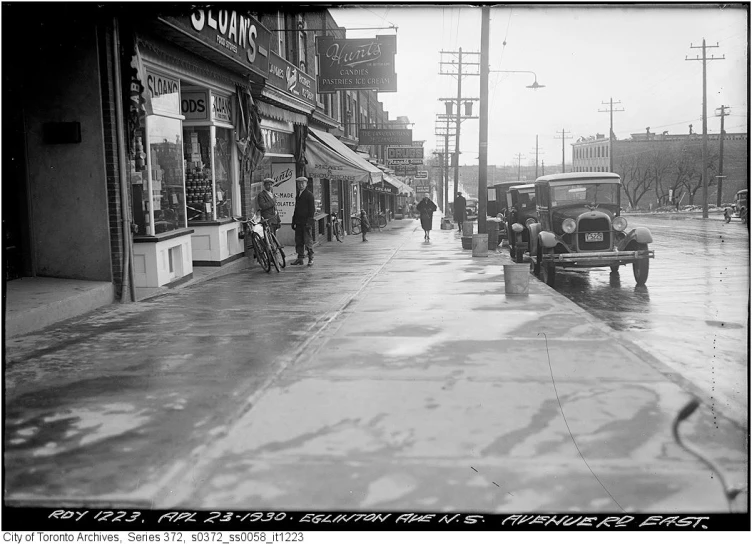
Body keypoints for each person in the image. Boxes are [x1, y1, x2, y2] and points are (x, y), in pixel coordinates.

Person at [291, 176, 315, 266]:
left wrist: (309, 222)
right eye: (299, 183)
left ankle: (310, 258)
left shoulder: (309, 195)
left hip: (305, 222)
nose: (300, 185)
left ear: (306, 184)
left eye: (302, 183)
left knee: (307, 240)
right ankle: (300, 258)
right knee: (299, 240)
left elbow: (312, 210)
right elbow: (296, 209)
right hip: (298, 222)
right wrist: (293, 221)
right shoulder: (298, 195)